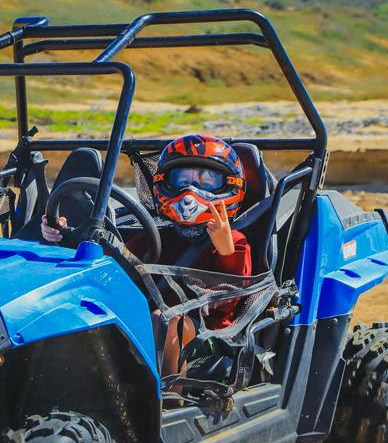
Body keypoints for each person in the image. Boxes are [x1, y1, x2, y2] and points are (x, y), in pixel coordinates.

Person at [41, 134, 252, 382]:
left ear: (228, 185)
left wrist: (226, 251)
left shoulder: (235, 241)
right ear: (165, 183)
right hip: (152, 320)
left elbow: (228, 302)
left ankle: (170, 401)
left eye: (206, 181)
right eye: (183, 180)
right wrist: (65, 235)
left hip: (209, 333)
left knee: (167, 323)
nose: (191, 192)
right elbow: (116, 266)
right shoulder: (157, 236)